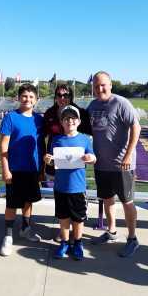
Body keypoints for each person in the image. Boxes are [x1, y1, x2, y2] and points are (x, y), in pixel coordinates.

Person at [88, 71, 141, 258]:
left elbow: (136, 127)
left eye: (102, 85)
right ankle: (111, 231)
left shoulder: (121, 103)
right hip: (101, 163)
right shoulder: (92, 105)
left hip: (121, 164)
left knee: (127, 202)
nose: (99, 88)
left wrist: (127, 156)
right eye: (96, 86)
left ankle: (133, 239)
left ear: (110, 85)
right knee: (107, 199)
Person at [0, 84, 45, 257]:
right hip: (15, 169)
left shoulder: (39, 120)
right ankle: (8, 236)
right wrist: (5, 169)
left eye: (31, 97)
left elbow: (41, 145)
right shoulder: (11, 117)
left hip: (32, 168)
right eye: (25, 96)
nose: (28, 99)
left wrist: (41, 169)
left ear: (36, 100)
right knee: (12, 204)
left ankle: (26, 228)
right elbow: (3, 146)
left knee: (28, 201)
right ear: (18, 98)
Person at [44, 105, 96, 260]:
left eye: (73, 118)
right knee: (63, 217)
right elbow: (54, 162)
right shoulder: (57, 139)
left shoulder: (85, 139)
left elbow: (93, 158)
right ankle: (65, 242)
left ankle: (78, 243)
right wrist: (48, 160)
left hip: (78, 187)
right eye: (66, 118)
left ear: (79, 121)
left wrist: (90, 158)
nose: (70, 121)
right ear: (61, 122)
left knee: (78, 218)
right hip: (60, 187)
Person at [44, 84, 91, 181]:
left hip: (74, 166)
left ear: (71, 97)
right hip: (53, 163)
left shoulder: (80, 113)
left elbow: (93, 132)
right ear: (55, 97)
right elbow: (41, 137)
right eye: (59, 95)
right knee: (53, 194)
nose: (62, 98)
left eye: (66, 95)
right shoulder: (49, 113)